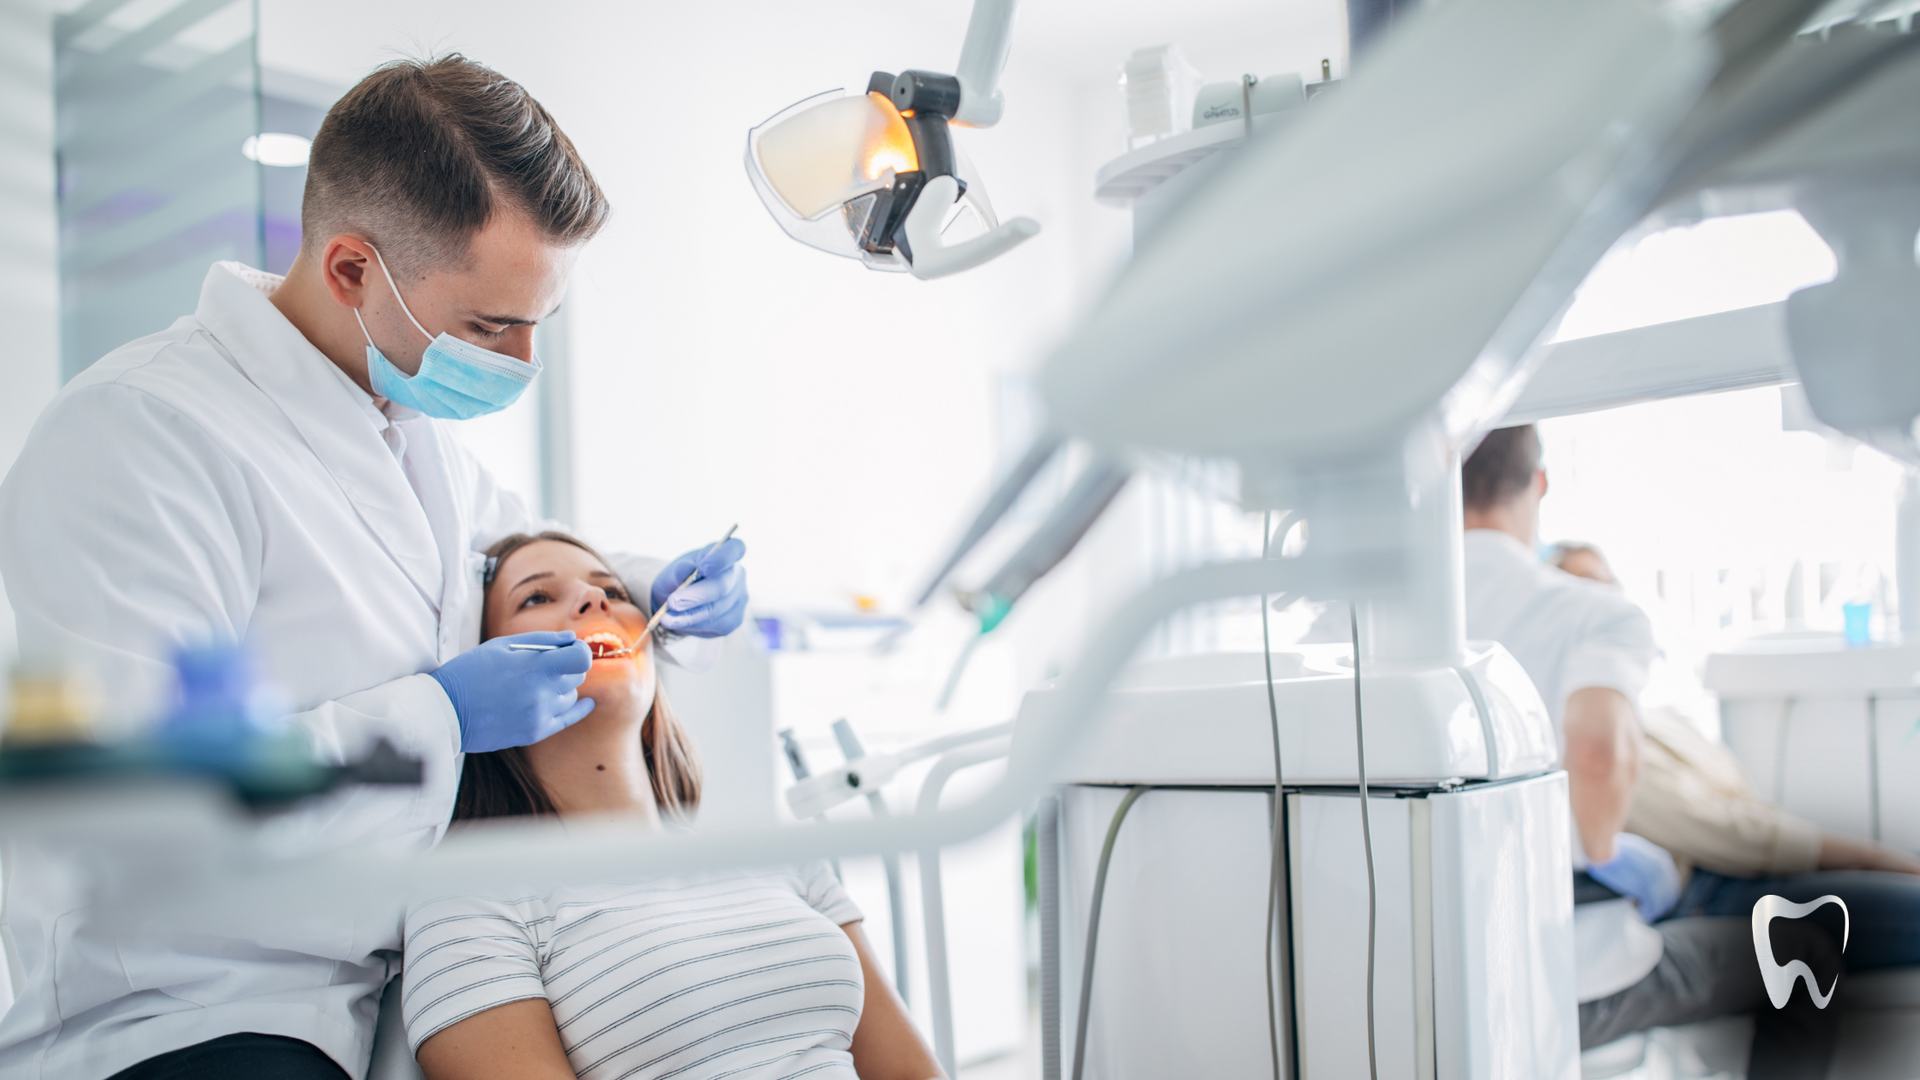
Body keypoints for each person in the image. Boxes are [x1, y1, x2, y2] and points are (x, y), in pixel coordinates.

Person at [0, 57, 747, 1080]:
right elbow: (137, 798)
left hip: (401, 981)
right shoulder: (137, 434)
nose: (524, 361)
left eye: (542, 322)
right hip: (199, 1011)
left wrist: (652, 587)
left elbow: (519, 560)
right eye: (492, 325)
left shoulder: (409, 432)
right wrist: (437, 718)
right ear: (352, 268)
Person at [401, 532, 944, 1080]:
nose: (597, 602)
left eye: (613, 589)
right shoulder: (466, 900)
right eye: (536, 598)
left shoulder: (780, 853)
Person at [1462, 425, 1840, 1075]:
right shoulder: (1592, 613)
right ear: (1540, 482)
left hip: (1428, 981)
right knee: (1806, 949)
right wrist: (1602, 854)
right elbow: (1597, 753)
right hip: (1562, 985)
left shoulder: (1370, 624)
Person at [1547, 540, 1920, 969]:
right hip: (1713, 889)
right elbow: (1726, 832)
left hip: (1754, 867)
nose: (1601, 598)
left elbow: (1742, 806)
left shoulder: (1655, 717)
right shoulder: (1588, 741)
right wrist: (1870, 857)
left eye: (1605, 582)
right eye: (1582, 586)